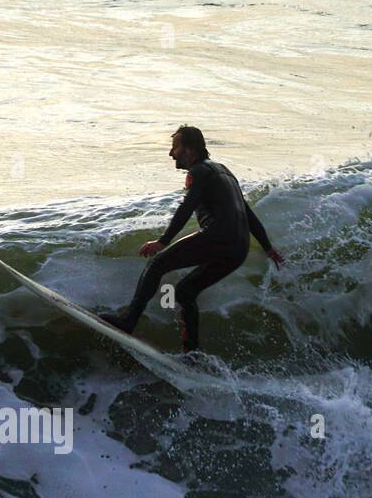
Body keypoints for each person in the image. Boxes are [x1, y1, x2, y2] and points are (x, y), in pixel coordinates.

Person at [102, 125, 285, 352]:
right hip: (238, 248)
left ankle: (128, 320)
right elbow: (248, 215)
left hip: (218, 237)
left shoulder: (197, 171)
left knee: (157, 264)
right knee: (184, 292)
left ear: (189, 150)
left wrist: (163, 241)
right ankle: (192, 353)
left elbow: (186, 207)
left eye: (175, 147)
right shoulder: (224, 171)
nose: (171, 153)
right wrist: (267, 247)